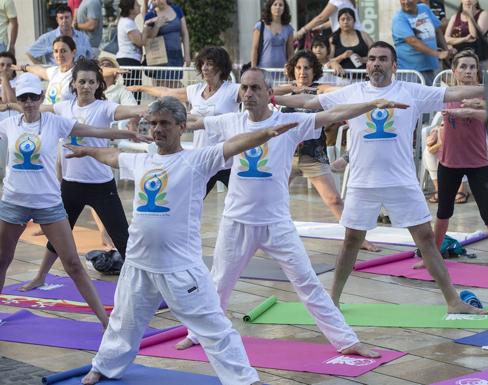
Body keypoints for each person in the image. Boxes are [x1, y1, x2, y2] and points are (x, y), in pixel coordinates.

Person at [177, 67, 402, 356]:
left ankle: (346, 341)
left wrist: (372, 104)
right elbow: (195, 122)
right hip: (237, 221)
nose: (249, 94)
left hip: (276, 223)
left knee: (308, 282)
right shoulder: (230, 121)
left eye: (256, 88)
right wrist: (157, 119)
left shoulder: (289, 121)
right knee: (218, 282)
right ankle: (197, 334)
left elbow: (331, 115)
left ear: (269, 94)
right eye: (245, 88)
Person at [71, 97, 295, 385]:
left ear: (181, 126)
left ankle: (244, 380)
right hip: (139, 263)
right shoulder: (141, 159)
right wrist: (88, 151)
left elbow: (232, 145)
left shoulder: (196, 160)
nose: (157, 129)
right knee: (123, 324)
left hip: (181, 268)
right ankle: (103, 366)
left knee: (213, 328)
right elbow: (113, 156)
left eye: (164, 123)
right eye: (152, 124)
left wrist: (265, 133)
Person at [274, 41, 488, 312]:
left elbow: (453, 91)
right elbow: (309, 100)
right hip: (363, 182)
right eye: (372, 59)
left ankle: (453, 301)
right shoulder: (352, 93)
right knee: (351, 240)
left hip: (402, 181)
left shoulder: (411, 91)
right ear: (367, 65)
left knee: (425, 239)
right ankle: (333, 300)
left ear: (394, 65)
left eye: (383, 59)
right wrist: (272, 98)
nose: (376, 63)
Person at [0, 73, 148, 327]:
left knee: (73, 264)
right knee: (2, 260)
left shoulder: (55, 122)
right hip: (13, 201)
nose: (29, 103)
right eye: (23, 98)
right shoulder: (9, 124)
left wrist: (127, 135)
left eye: (33, 97)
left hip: (48, 203)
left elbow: (92, 130)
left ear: (41, 97)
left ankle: (104, 320)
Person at [276, 50, 379, 252]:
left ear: (314, 70)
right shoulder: (285, 92)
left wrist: (312, 88)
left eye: (307, 68)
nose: (302, 72)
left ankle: (357, 239)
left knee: (333, 199)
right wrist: (292, 87)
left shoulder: (320, 90)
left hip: (313, 155)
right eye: (298, 68)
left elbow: (339, 89)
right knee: (271, 196)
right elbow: (265, 92)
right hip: (285, 155)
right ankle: (264, 234)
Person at [129, 46, 239, 196]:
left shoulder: (232, 90)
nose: (205, 68)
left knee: (241, 199)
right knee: (191, 199)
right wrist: (142, 87)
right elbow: (167, 92)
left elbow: (262, 92)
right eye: (203, 64)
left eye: (210, 64)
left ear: (220, 67)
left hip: (228, 158)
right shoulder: (195, 90)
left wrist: (274, 96)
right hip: (203, 158)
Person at [430, 50, 488, 259]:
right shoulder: (446, 94)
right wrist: (435, 130)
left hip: (477, 162)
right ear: (454, 71)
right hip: (449, 162)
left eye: (472, 67)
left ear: (478, 70)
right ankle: (431, 257)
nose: (468, 71)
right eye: (463, 67)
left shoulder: (484, 93)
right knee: (443, 213)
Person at [18, 36, 124, 105]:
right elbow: (39, 70)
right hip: (48, 119)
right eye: (56, 51)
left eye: (63, 51)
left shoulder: (78, 71)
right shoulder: (53, 71)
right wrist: (24, 67)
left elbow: (98, 70)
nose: (59, 55)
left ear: (73, 52)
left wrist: (115, 70)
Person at [392, 0, 454, 85]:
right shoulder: (399, 18)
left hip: (431, 67)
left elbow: (438, 31)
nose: (406, 2)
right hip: (411, 72)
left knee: (432, 97)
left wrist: (446, 52)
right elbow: (413, 41)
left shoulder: (424, 8)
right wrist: (438, 54)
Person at [143, 0, 191, 87]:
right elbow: (148, 38)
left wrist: (187, 54)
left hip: (177, 54)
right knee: (163, 85)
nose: (158, 1)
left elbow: (184, 32)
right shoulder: (151, 15)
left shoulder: (177, 9)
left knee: (172, 83)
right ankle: (190, 98)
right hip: (161, 57)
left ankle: (189, 98)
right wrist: (157, 25)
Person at [27, 5, 93, 65]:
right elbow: (30, 53)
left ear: (72, 18)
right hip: (57, 76)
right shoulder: (47, 38)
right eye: (61, 18)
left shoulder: (82, 37)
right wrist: (43, 69)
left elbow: (90, 58)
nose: (64, 21)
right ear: (57, 20)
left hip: (79, 75)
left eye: (67, 17)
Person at [250, 0, 294, 70]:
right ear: (270, 7)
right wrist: (253, 68)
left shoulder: (289, 28)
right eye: (275, 4)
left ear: (284, 8)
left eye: (280, 5)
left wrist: (290, 69)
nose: (278, 7)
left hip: (282, 71)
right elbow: (254, 49)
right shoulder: (260, 26)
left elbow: (290, 52)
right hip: (263, 70)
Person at [116, 0, 145, 102]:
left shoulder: (129, 22)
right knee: (133, 93)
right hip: (128, 60)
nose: (139, 5)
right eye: (137, 4)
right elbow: (140, 42)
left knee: (133, 91)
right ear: (131, 8)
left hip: (130, 59)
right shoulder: (127, 23)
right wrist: (149, 28)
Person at [294, 0, 362, 40]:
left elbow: (321, 18)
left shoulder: (336, 0)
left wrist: (302, 31)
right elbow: (338, 20)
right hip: (356, 36)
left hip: (349, 37)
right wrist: (321, 27)